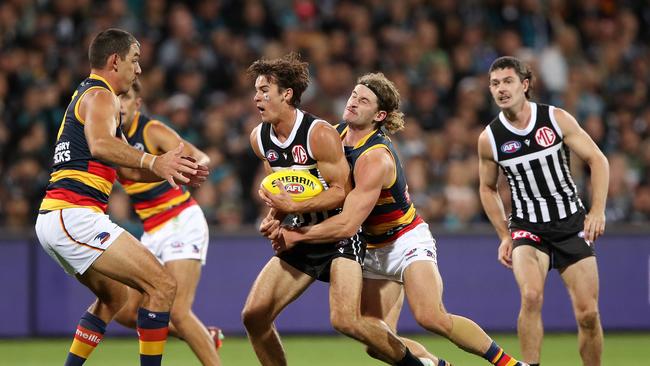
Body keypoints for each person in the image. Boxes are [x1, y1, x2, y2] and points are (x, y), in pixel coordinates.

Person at [279, 72, 525, 366]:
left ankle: (510, 364)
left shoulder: (375, 157)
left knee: (431, 316)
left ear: (379, 115)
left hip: (404, 239)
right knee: (375, 340)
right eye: (354, 95)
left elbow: (347, 224)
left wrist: (299, 235)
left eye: (364, 100)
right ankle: (434, 364)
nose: (354, 102)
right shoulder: (333, 135)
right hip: (372, 247)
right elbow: (303, 180)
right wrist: (279, 213)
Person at [241, 53, 427, 366]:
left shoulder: (319, 133)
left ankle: (422, 365)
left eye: (264, 90)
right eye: (256, 90)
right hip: (302, 230)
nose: (256, 97)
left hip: (341, 234)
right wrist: (274, 219)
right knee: (254, 316)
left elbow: (343, 193)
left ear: (286, 94)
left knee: (346, 320)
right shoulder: (259, 139)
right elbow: (285, 189)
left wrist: (292, 208)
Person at [34, 28, 206, 366]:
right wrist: (155, 160)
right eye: (135, 60)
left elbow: (126, 170)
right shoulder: (102, 96)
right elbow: (100, 144)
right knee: (162, 286)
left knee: (113, 299)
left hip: (61, 219)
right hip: (74, 215)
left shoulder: (88, 97)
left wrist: (171, 169)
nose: (138, 69)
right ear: (115, 60)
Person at [477, 56, 608, 366]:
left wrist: (597, 210)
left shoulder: (555, 118)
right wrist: (504, 235)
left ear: (525, 85)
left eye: (507, 81)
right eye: (495, 84)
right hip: (527, 228)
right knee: (531, 297)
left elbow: (597, 160)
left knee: (588, 314)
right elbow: (486, 188)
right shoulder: (489, 138)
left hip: (570, 223)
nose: (501, 89)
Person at [112, 80, 222, 365]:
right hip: (152, 229)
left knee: (179, 312)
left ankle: (206, 347)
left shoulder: (152, 130)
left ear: (137, 104)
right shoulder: (110, 139)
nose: (120, 104)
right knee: (125, 313)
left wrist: (193, 169)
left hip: (179, 220)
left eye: (125, 99)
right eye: (116, 99)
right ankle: (203, 336)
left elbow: (199, 156)